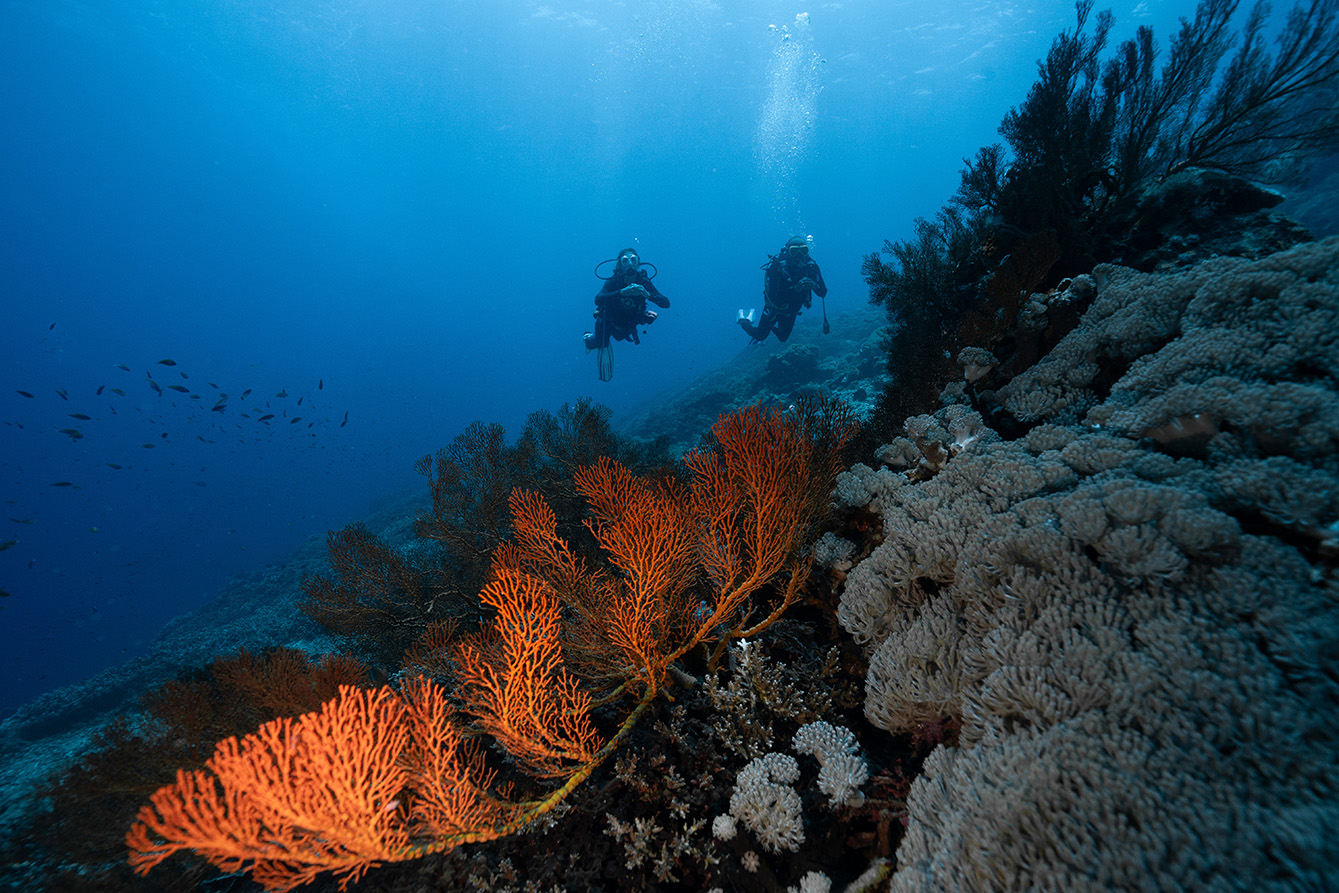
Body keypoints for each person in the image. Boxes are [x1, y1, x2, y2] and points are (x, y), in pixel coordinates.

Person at [584, 248, 670, 380]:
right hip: (609, 322)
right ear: (620, 264)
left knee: (621, 335)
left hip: (628, 324)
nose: (630, 264)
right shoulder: (614, 281)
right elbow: (598, 299)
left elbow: (665, 303)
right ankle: (587, 339)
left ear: (638, 263)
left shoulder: (643, 281)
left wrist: (647, 294)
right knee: (599, 343)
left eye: (633, 260)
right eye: (625, 261)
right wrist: (622, 292)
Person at [738, 236, 827, 344]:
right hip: (774, 308)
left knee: (783, 337)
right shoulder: (777, 267)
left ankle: (770, 326)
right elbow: (773, 296)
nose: (799, 255)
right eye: (794, 251)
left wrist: (814, 286)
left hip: (793, 309)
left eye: (803, 251)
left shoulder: (811, 267)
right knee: (760, 335)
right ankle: (744, 321)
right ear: (788, 252)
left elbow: (823, 292)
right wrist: (796, 289)